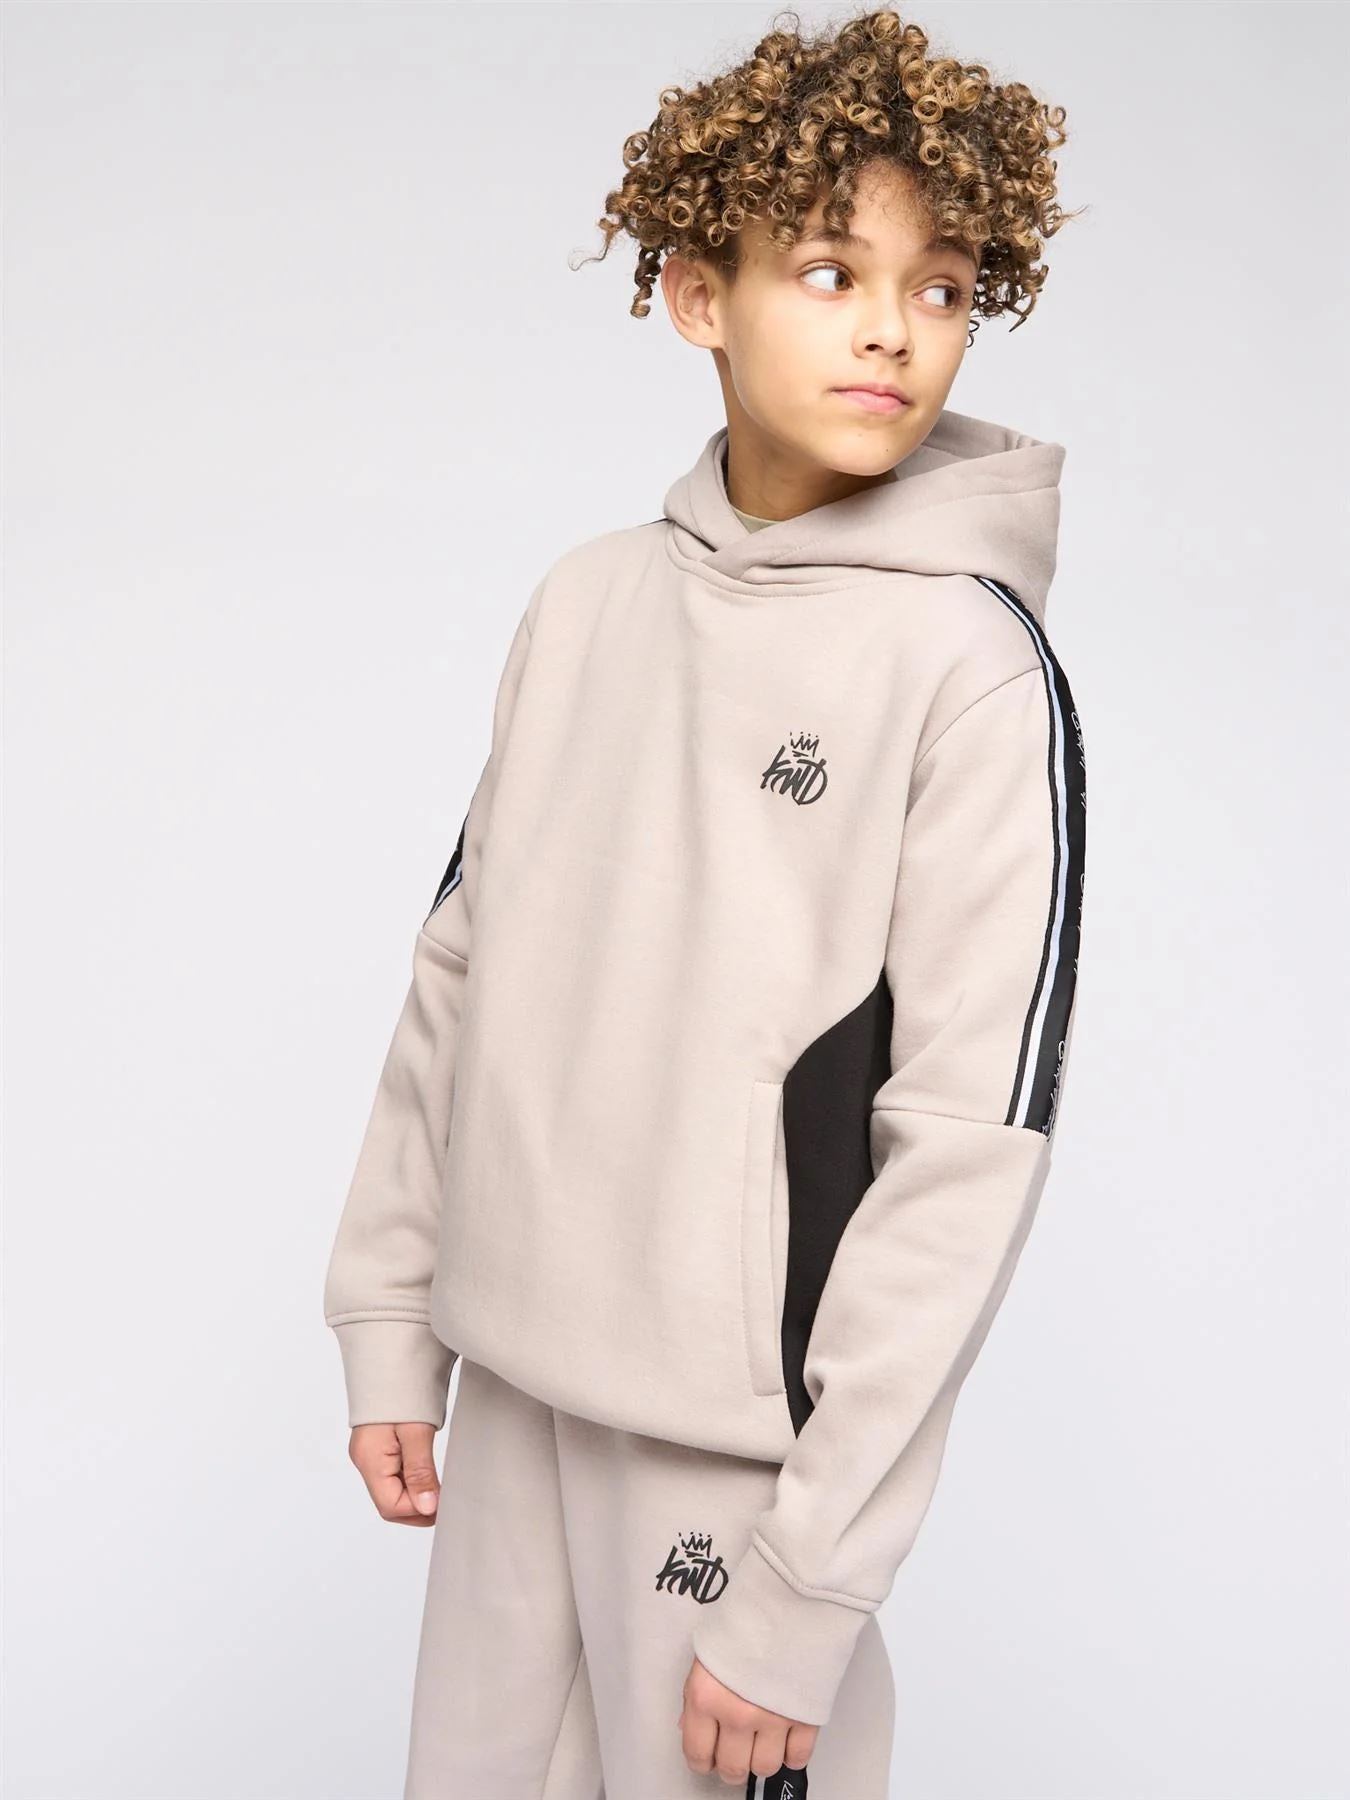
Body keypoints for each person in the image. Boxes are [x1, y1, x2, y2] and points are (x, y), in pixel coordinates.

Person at [322, 8, 1087, 1795]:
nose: (893, 327)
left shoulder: (969, 667)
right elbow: (461, 970)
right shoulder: (586, 600)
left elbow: (964, 1149)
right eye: (829, 271)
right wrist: (389, 1316)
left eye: (942, 286)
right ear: (694, 297)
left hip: (734, 1460)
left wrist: (809, 1581)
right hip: (514, 1390)